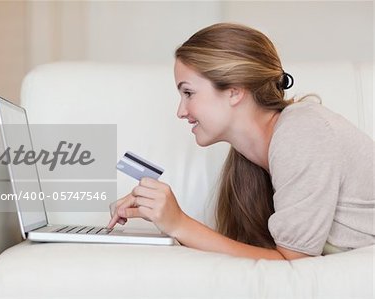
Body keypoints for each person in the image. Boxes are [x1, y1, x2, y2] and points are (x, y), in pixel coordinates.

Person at [107, 23, 374, 260]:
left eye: (188, 93)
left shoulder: (303, 131)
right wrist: (167, 218)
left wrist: (179, 224)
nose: (181, 111)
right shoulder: (249, 162)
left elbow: (294, 267)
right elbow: (267, 257)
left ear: (234, 92)